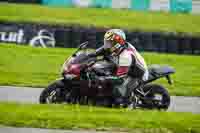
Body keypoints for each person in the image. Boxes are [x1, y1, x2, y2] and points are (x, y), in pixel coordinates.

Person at [88, 29, 148, 104]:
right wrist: (87, 55)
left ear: (117, 43)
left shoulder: (125, 56)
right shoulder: (116, 47)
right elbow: (99, 51)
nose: (107, 44)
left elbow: (120, 79)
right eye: (106, 41)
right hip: (125, 67)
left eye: (110, 42)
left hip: (136, 75)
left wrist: (102, 79)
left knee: (118, 94)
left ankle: (131, 102)